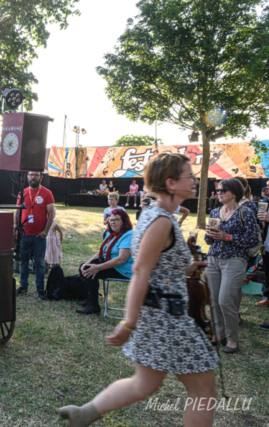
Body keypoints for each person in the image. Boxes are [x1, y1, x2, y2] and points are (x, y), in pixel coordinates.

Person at [58, 153, 218, 427]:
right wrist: (128, 323)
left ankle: (83, 414)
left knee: (144, 384)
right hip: (169, 319)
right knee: (204, 392)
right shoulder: (161, 221)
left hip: (159, 315)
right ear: (170, 182)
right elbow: (141, 270)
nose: (194, 180)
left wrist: (186, 269)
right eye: (189, 176)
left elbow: (156, 264)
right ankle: (84, 413)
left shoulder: (160, 214)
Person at [204, 178, 259, 354]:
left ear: (234, 193)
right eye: (218, 190)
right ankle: (218, 334)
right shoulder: (214, 212)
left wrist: (227, 237)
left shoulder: (246, 212)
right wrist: (209, 234)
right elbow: (208, 240)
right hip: (213, 259)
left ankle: (232, 338)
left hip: (235, 260)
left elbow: (251, 239)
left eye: (223, 190)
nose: (218, 193)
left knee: (225, 299)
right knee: (213, 300)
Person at [76, 209, 134, 315]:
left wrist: (98, 267)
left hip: (124, 269)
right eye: (111, 220)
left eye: (116, 220)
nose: (113, 222)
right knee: (84, 267)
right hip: (113, 264)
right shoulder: (111, 233)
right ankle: (90, 298)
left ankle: (93, 306)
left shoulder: (129, 234)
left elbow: (121, 259)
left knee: (89, 271)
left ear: (124, 221)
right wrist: (87, 262)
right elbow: (101, 252)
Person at [16, 171, 55, 300]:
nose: (33, 177)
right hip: (24, 235)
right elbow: (17, 212)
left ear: (41, 177)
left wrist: (45, 232)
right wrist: (16, 228)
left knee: (39, 263)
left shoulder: (46, 193)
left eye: (36, 175)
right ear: (27, 177)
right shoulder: (22, 193)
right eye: (31, 175)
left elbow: (51, 214)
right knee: (23, 262)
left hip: (39, 236)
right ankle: (23, 286)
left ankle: (40, 289)